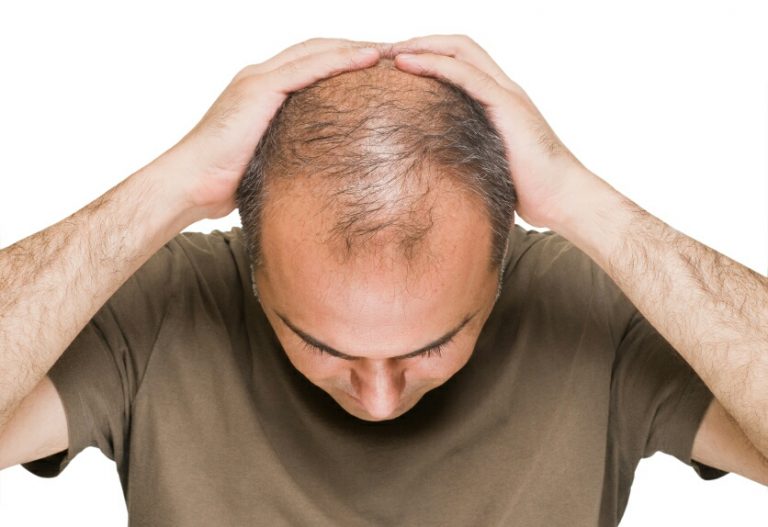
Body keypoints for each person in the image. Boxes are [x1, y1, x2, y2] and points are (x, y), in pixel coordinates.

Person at [0, 34, 765, 526]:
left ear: (501, 264)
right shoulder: (165, 306)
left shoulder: (588, 309)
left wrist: (581, 198)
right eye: (322, 346)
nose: (377, 400)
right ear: (252, 265)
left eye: (429, 347)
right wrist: (166, 187)